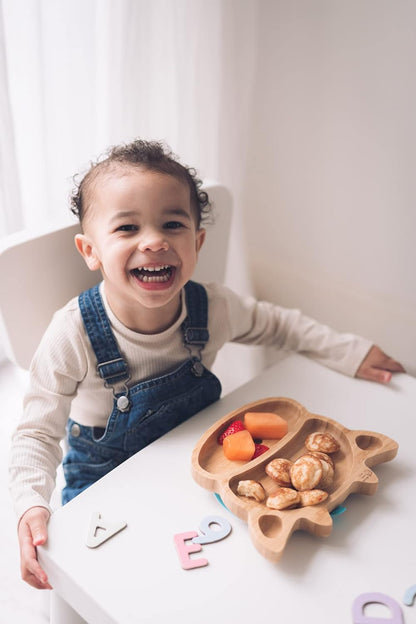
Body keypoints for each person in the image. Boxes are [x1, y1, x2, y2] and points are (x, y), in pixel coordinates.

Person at [9, 139, 405, 590]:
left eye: (172, 224)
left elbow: (281, 325)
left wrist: (352, 351)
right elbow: (36, 432)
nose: (154, 240)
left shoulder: (212, 308)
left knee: (225, 577)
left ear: (197, 242)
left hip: (200, 468)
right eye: (127, 228)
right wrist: (30, 505)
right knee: (107, 579)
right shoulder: (72, 333)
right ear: (90, 250)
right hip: (105, 478)